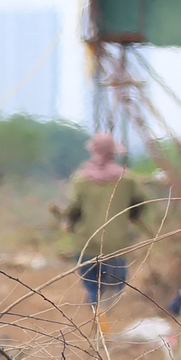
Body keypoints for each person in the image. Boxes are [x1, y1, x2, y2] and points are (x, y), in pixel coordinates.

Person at [61, 132, 147, 332]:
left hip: (86, 243)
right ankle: (103, 320)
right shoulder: (126, 179)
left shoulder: (81, 179)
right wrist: (131, 216)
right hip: (115, 245)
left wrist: (69, 222)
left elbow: (73, 208)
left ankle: (97, 316)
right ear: (113, 153)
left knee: (92, 286)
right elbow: (140, 203)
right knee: (115, 286)